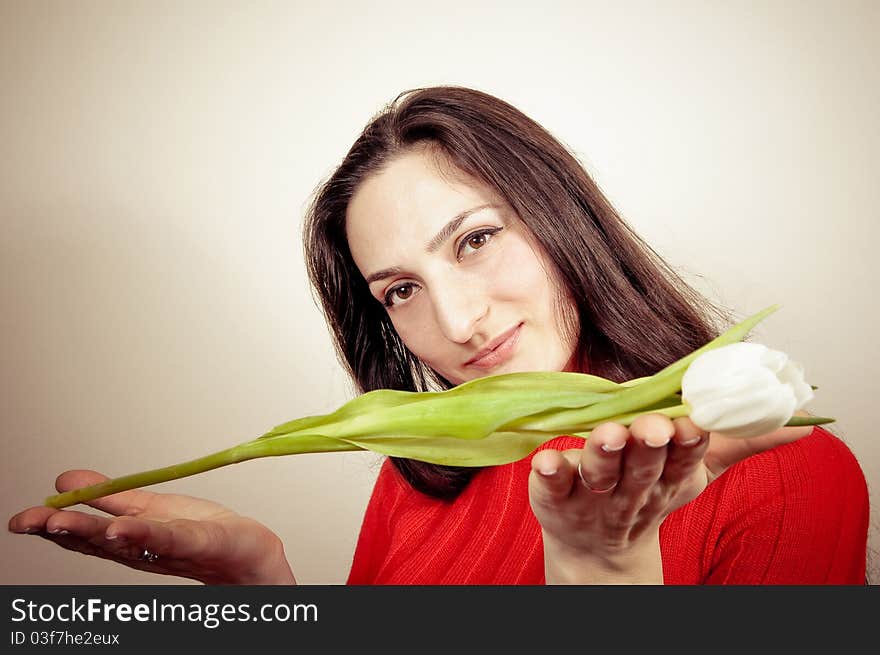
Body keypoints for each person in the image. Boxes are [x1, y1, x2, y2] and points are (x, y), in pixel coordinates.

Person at [8, 86, 870, 584]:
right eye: (402, 289)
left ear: (559, 215)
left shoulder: (785, 473)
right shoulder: (427, 471)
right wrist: (263, 582)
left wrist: (603, 569)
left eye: (477, 239)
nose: (456, 325)